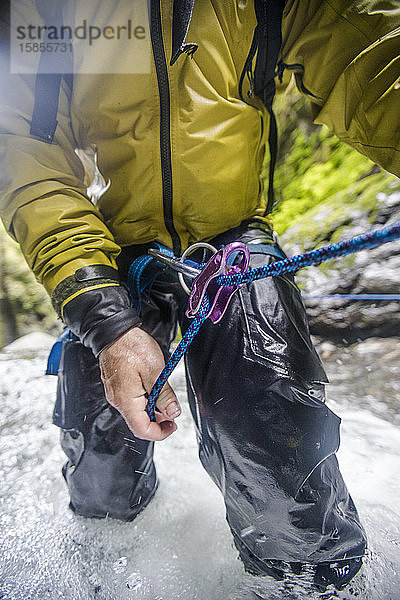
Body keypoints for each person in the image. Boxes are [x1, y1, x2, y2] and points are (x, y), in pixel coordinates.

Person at [1, 0, 399, 592]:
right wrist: (102, 316)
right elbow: (25, 148)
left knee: (273, 437)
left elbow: (367, 57)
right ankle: (106, 573)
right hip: (113, 255)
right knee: (99, 462)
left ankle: (313, 581)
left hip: (235, 243)